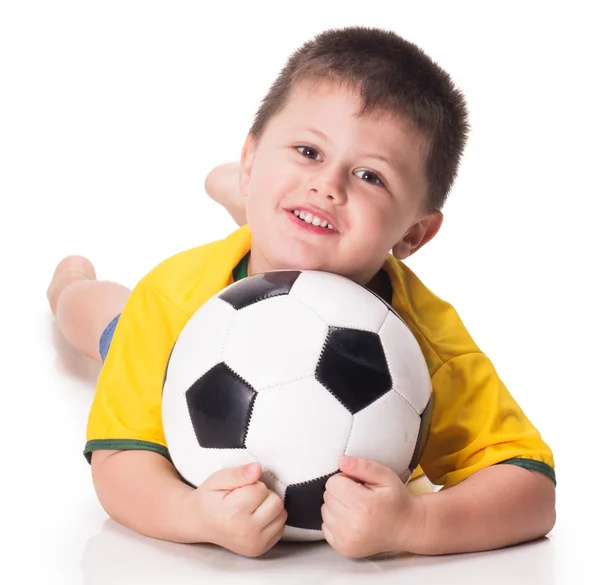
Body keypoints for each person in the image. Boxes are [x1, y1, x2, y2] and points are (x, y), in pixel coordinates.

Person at [47, 26, 556, 559]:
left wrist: (419, 522)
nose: (329, 186)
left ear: (413, 235)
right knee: (100, 320)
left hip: (283, 217)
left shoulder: (429, 345)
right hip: (176, 313)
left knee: (302, 218)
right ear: (251, 158)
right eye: (308, 151)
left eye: (369, 176)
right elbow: (118, 464)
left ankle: (257, 199)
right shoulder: (172, 299)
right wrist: (193, 514)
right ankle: (69, 282)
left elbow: (531, 491)